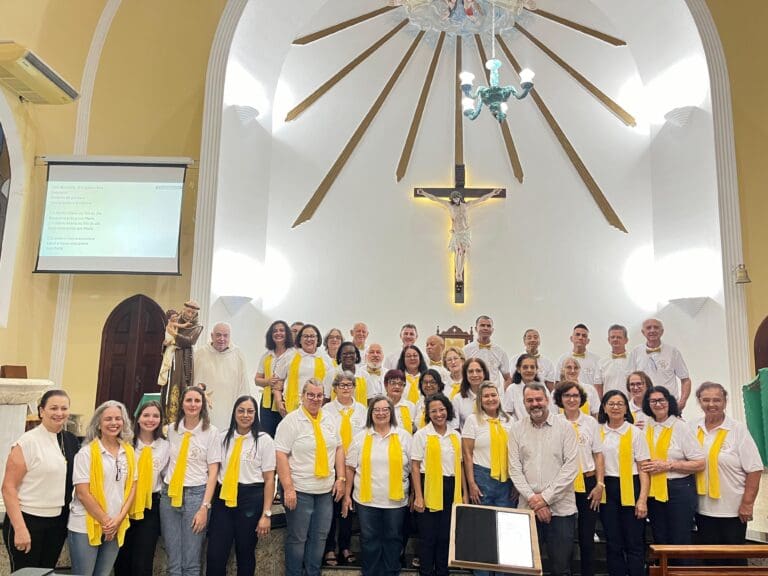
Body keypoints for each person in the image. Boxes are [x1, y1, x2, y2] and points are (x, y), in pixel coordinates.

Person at [275, 379, 346, 576]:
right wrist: (288, 488)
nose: (315, 399)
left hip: (324, 491)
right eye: (311, 395)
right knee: (298, 539)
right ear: (302, 396)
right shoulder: (291, 421)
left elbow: (339, 448)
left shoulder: (330, 419)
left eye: (319, 395)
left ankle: (312, 573)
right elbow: (280, 454)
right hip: (299, 490)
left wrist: (341, 478)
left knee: (320, 537)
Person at [2, 389, 79, 571]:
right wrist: (20, 528)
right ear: (41, 411)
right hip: (28, 520)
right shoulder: (28, 442)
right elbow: (8, 488)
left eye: (64, 408)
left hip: (57, 522)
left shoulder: (70, 440)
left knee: (46, 572)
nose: (59, 413)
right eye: (53, 408)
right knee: (26, 573)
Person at [508, 383, 578, 576]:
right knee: (526, 568)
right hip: (527, 509)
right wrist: (535, 501)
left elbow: (570, 468)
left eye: (538, 399)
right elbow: (514, 469)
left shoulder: (565, 428)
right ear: (524, 403)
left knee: (561, 569)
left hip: (561, 509)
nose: (535, 404)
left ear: (547, 400)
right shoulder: (516, 429)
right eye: (529, 400)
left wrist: (545, 499)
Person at [343, 396, 412, 576]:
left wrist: (415, 494)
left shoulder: (404, 437)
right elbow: (350, 468)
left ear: (391, 412)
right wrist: (347, 495)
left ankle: (391, 572)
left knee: (393, 539)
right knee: (369, 539)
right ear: (370, 413)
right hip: (367, 501)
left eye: (385, 409)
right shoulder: (360, 437)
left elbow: (414, 468)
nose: (381, 413)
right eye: (376, 410)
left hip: (396, 502)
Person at [206, 395, 276, 576]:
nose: (245, 415)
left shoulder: (264, 440)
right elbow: (213, 471)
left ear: (255, 414)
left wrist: (266, 514)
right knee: (215, 554)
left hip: (251, 500)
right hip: (223, 499)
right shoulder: (222, 438)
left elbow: (269, 480)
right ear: (234, 413)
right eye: (241, 411)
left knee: (245, 554)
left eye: (250, 411)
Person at [692, 382, 762, 558]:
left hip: (733, 510)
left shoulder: (737, 429)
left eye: (717, 400)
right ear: (699, 401)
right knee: (709, 559)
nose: (711, 404)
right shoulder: (692, 427)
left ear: (725, 402)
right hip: (702, 509)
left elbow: (754, 469)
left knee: (733, 560)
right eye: (706, 400)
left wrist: (747, 504)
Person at [67, 401, 137, 576]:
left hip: (115, 524)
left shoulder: (129, 452)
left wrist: (118, 520)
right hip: (85, 525)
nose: (114, 423)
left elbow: (132, 488)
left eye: (118, 418)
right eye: (108, 419)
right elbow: (83, 493)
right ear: (98, 424)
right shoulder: (86, 453)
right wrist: (106, 521)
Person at [160, 386, 221, 576]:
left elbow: (213, 472)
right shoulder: (172, 430)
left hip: (196, 496)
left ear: (203, 404)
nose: (193, 404)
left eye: (197, 401)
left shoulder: (211, 432)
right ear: (182, 404)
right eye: (189, 400)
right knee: (173, 561)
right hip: (170, 495)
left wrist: (204, 507)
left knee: (191, 562)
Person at [640, 385, 704, 549]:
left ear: (669, 402)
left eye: (661, 400)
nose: (658, 404)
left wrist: (669, 465)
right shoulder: (646, 427)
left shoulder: (681, 427)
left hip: (678, 490)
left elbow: (700, 463)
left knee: (679, 540)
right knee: (660, 538)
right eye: (653, 401)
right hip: (653, 490)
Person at [553, 381, 604, 576]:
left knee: (586, 536)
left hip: (588, 482)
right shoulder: (554, 422)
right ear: (560, 399)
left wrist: (600, 483)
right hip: (563, 484)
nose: (571, 399)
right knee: (563, 536)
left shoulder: (590, 422)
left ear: (581, 399)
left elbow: (598, 454)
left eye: (575, 395)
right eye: (567, 396)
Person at [411, 393, 465, 576]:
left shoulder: (455, 435)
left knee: (445, 536)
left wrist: (464, 493)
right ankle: (426, 571)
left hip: (451, 487)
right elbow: (415, 466)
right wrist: (418, 496)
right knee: (428, 537)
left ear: (447, 410)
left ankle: (443, 571)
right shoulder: (422, 435)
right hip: (429, 486)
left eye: (441, 409)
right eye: (433, 411)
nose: (438, 414)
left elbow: (460, 466)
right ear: (428, 414)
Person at [597, 390, 650, 576]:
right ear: (604, 408)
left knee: (634, 542)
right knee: (613, 542)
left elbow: (643, 468)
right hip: (606, 489)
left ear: (626, 408)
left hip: (631, 488)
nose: (615, 407)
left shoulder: (635, 432)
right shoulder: (598, 432)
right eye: (611, 404)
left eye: (620, 404)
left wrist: (642, 499)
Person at [114, 401, 170, 576]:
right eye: (146, 415)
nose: (150, 420)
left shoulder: (165, 446)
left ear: (160, 420)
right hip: (124, 505)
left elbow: (166, 476)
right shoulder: (126, 444)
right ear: (137, 418)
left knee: (143, 561)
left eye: (155, 416)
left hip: (150, 506)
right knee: (122, 557)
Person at [323, 372, 367, 566]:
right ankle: (329, 548)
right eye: (342, 385)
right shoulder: (327, 410)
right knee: (332, 507)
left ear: (354, 388)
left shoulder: (363, 410)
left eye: (349, 385)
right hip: (333, 464)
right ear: (335, 388)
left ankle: (345, 546)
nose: (346, 388)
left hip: (355, 465)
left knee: (348, 506)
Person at [415, 186, 502, 283]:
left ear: (460, 197)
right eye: (454, 198)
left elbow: (481, 199)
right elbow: (435, 199)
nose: (455, 200)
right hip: (457, 232)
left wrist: (493, 193)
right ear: (452, 199)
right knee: (458, 251)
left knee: (464, 251)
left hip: (465, 232)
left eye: (457, 198)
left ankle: (460, 271)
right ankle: (458, 273)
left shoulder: (466, 205)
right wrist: (423, 193)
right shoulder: (449, 206)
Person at [462, 382, 516, 522]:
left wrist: (516, 483)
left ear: (499, 397)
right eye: (486, 396)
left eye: (493, 395)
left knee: (506, 520)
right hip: (482, 477)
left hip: (507, 479)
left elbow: (516, 452)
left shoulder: (509, 420)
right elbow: (467, 454)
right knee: (484, 521)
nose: (490, 399)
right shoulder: (472, 420)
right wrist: (471, 483)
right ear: (480, 400)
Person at [193, 322, 250, 430]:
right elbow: (192, 382)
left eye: (225, 335)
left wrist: (244, 407)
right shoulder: (200, 353)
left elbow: (243, 385)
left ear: (230, 337)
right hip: (204, 408)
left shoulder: (238, 355)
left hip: (228, 408)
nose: (222, 339)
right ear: (212, 336)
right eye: (218, 335)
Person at [628, 318, 692, 409]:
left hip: (668, 405)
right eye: (648, 328)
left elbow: (685, 379)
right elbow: (629, 381)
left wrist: (682, 402)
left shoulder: (673, 352)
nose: (652, 330)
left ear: (662, 331)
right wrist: (632, 404)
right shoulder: (636, 352)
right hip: (643, 406)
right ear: (643, 332)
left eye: (656, 327)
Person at [163, 299, 204, 424]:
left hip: (184, 357)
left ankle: (181, 419)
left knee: (183, 384)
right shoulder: (175, 321)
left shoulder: (197, 326)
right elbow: (167, 338)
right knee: (169, 384)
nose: (190, 314)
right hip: (172, 355)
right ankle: (167, 419)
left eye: (193, 313)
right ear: (184, 309)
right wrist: (166, 343)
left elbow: (190, 341)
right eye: (188, 311)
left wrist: (175, 336)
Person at [276, 324, 331, 414]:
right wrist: (279, 402)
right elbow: (276, 382)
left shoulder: (325, 358)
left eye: (312, 336)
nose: (309, 339)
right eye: (305, 336)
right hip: (292, 409)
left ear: (317, 339)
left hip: (319, 408)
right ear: (300, 339)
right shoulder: (289, 356)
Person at [254, 320, 294, 437]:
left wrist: (282, 384)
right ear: (270, 335)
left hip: (286, 400)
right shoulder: (266, 356)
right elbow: (257, 380)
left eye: (281, 330)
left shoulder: (294, 355)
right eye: (275, 331)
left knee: (284, 435)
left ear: (287, 334)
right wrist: (267, 381)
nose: (278, 333)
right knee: (267, 435)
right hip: (267, 402)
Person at [463, 315, 512, 389]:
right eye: (482, 325)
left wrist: (505, 393)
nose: (485, 328)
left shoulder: (500, 352)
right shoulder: (466, 350)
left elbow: (507, 378)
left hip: (493, 393)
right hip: (473, 392)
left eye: (488, 326)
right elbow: (461, 374)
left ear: (492, 330)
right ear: (476, 329)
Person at [556, 324, 602, 395]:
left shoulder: (596, 360)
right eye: (577, 334)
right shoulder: (562, 359)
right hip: (567, 398)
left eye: (584, 336)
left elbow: (598, 386)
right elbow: (558, 382)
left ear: (588, 341)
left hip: (589, 399)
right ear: (571, 338)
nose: (580, 337)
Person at [453, 357, 489, 430]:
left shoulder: (493, 397)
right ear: (465, 375)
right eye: (470, 371)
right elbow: (455, 427)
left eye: (478, 371)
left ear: (484, 373)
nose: (475, 375)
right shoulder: (458, 399)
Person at [503, 353, 539, 421]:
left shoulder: (542, 388)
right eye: (525, 367)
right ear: (518, 369)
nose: (529, 370)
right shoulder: (512, 389)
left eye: (532, 367)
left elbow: (551, 412)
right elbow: (507, 415)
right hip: (520, 427)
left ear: (536, 369)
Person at [599, 324, 631, 395]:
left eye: (619, 337)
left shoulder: (633, 360)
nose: (615, 339)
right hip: (608, 401)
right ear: (609, 340)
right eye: (612, 337)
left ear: (626, 340)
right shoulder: (601, 363)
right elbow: (598, 387)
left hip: (628, 401)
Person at [385, 369, 417, 435]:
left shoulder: (411, 406)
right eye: (393, 383)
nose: (397, 386)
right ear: (386, 385)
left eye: (400, 384)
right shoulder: (379, 404)